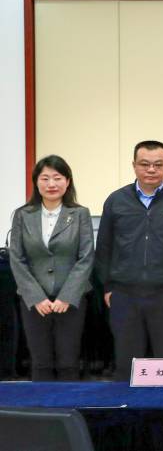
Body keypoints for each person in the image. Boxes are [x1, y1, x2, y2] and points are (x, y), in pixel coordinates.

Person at [95, 140, 163, 381]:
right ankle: (126, 406)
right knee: (126, 365)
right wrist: (108, 286)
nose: (151, 169)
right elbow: (104, 248)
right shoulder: (116, 201)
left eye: (158, 164)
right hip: (124, 294)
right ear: (134, 165)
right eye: (144, 164)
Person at [9, 155, 94, 380]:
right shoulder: (23, 215)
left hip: (71, 300)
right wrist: (36, 297)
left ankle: (69, 403)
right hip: (34, 301)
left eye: (57, 178)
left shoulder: (80, 214)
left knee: (68, 362)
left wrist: (67, 296)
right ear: (36, 182)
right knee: (40, 363)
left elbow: (86, 257)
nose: (51, 184)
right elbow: (16, 257)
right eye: (45, 178)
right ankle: (42, 404)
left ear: (67, 181)